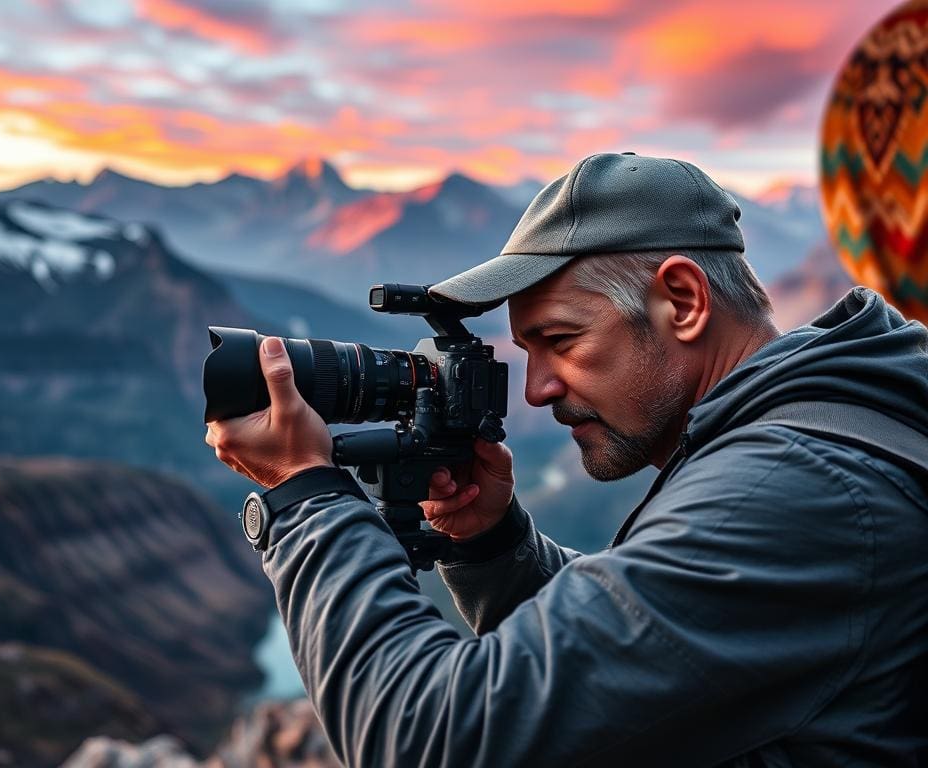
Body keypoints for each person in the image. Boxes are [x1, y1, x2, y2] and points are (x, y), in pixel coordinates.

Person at [205, 153, 928, 767]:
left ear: (681, 300)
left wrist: (306, 499)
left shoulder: (794, 489)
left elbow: (433, 738)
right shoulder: (819, 438)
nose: (540, 388)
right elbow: (656, 654)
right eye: (528, 352)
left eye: (563, 340)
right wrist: (495, 547)